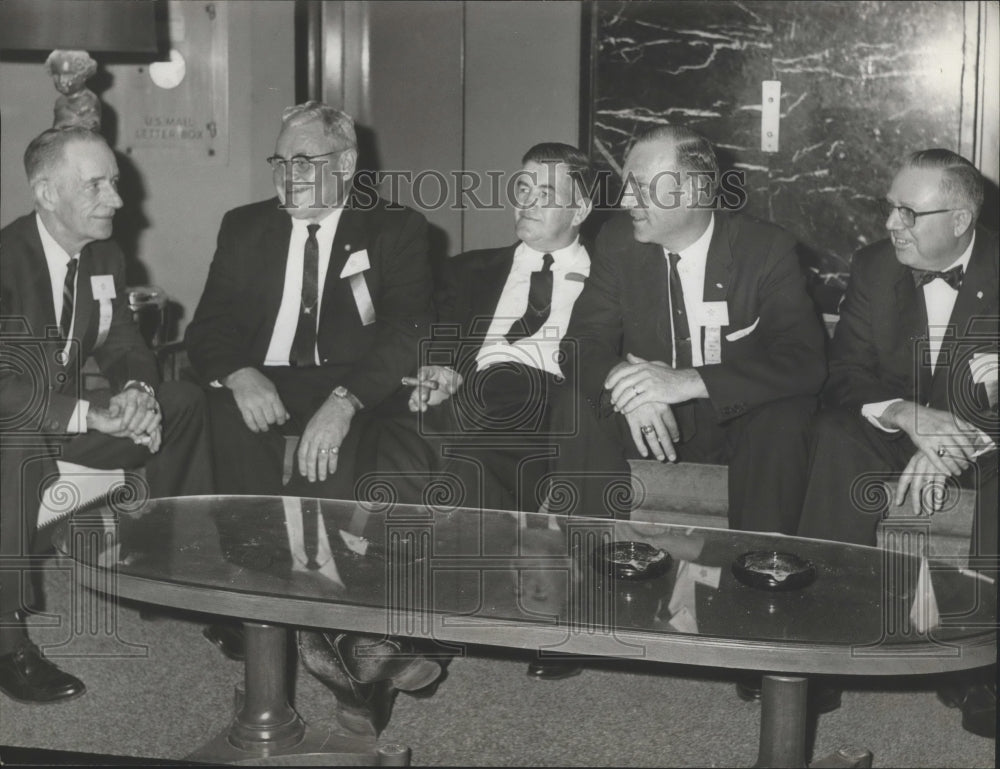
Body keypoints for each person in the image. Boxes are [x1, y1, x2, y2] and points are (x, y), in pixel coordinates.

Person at [550, 124, 832, 706]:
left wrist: (686, 382)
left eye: (642, 186)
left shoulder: (766, 249)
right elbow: (580, 345)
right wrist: (631, 389)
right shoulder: (618, 244)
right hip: (649, 419)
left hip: (739, 421)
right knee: (574, 399)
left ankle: (758, 622)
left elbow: (805, 363)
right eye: (626, 183)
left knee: (784, 419)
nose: (626, 199)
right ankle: (588, 598)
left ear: (698, 192)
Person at [184, 101, 439, 735]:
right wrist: (239, 374)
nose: (286, 176)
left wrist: (345, 401)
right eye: (280, 161)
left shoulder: (397, 230)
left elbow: (408, 332)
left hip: (352, 383)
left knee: (350, 465)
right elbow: (208, 329)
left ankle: (347, 648)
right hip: (263, 381)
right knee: (224, 428)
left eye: (305, 161)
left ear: (346, 164)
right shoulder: (244, 227)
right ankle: (267, 625)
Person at [0, 126, 213, 704]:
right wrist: (90, 416)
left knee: (186, 402)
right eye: (96, 186)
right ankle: (8, 641)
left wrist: (139, 391)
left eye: (114, 183)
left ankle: (177, 574)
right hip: (13, 435)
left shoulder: (103, 255)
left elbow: (121, 337)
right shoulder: (3, 260)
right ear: (46, 193)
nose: (116, 200)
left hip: (59, 431)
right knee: (16, 439)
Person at [797, 148, 997, 739]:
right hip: (906, 428)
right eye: (890, 208)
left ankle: (983, 661)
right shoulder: (874, 266)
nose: (891, 224)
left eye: (909, 213)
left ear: (960, 220)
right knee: (835, 433)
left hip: (988, 438)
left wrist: (952, 440)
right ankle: (822, 640)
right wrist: (910, 416)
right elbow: (845, 375)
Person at [392, 142, 594, 681]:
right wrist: (440, 370)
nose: (527, 201)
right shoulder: (469, 270)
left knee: (500, 400)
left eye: (546, 193)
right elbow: (439, 341)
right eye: (523, 189)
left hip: (554, 396)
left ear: (581, 210)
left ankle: (425, 634)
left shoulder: (612, 277)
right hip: (470, 395)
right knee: (400, 428)